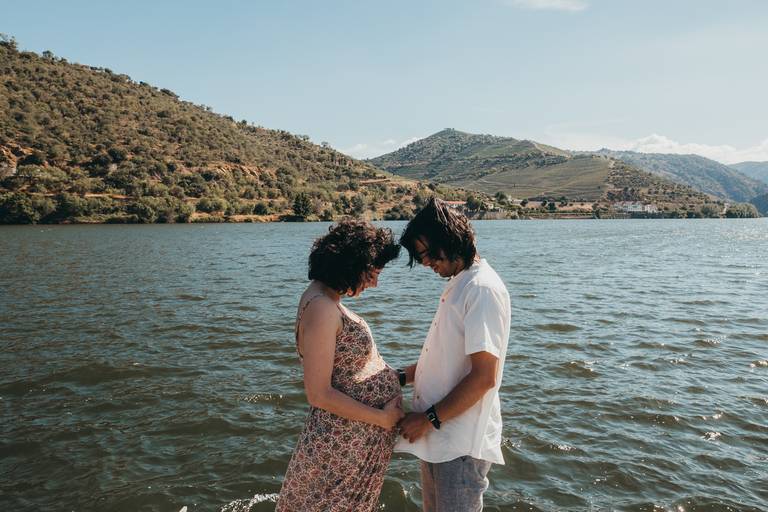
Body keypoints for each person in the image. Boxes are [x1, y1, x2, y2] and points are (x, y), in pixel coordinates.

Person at [275, 219, 404, 512]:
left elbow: (348, 371)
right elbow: (318, 393)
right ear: (352, 263)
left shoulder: (325, 299)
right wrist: (382, 419)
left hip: (346, 444)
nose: (375, 282)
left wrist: (402, 377)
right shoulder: (321, 307)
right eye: (374, 272)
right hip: (338, 448)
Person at [394, 197, 511, 512]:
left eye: (427, 253)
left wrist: (428, 419)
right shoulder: (462, 283)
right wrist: (399, 377)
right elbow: (446, 360)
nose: (425, 263)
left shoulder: (481, 289)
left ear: (448, 239)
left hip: (458, 443)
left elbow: (484, 377)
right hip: (439, 438)